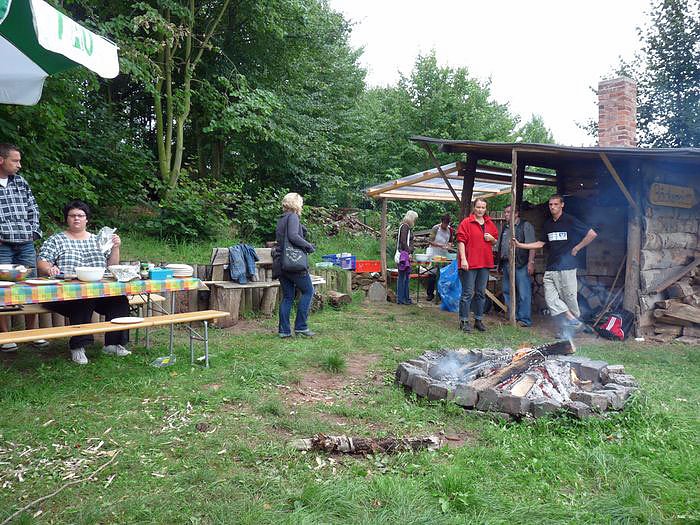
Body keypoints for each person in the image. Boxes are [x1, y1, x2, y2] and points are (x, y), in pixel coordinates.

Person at [37, 201, 129, 364]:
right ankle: (78, 347)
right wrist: (50, 269)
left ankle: (113, 344)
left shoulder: (98, 240)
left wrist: (115, 247)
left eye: (80, 215)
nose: (76, 218)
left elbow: (112, 266)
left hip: (98, 291)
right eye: (72, 215)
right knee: (83, 299)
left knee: (119, 301)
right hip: (64, 293)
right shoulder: (56, 240)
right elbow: (42, 261)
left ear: (87, 219)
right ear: (67, 219)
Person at [512, 194, 597, 336]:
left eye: (556, 204)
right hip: (551, 267)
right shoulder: (548, 224)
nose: (553, 207)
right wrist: (520, 245)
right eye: (551, 204)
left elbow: (592, 234)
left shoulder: (569, 220)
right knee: (551, 299)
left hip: (567, 267)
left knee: (569, 299)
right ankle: (574, 321)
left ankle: (568, 330)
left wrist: (577, 248)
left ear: (562, 205)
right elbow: (540, 243)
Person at [0, 143, 47, 351]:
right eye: (15, 161)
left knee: (31, 286)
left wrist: (34, 232)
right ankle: (6, 336)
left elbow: (33, 208)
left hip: (26, 244)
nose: (19, 165)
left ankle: (32, 333)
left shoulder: (21, 182)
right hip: (2, 245)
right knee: (2, 289)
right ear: (1, 160)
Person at [275, 192, 315, 338]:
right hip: (293, 262)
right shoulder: (292, 217)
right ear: (296, 203)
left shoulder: (282, 219)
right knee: (308, 291)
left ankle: (284, 331)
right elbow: (293, 236)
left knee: (288, 297)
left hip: (281, 263)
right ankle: (301, 327)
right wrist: (308, 246)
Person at [456, 199, 498, 332]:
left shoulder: (489, 223)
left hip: (484, 263)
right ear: (474, 208)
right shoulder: (466, 222)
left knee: (480, 293)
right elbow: (461, 241)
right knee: (467, 293)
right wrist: (463, 259)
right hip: (470, 263)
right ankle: (464, 321)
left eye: (483, 207)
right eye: (478, 207)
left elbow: (495, 241)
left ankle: (478, 320)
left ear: (486, 209)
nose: (480, 210)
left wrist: (492, 239)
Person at [497, 204, 536, 327]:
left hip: (521, 263)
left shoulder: (525, 226)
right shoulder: (506, 227)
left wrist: (530, 262)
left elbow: (532, 246)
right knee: (507, 290)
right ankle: (513, 317)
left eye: (509, 212)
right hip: (506, 263)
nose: (506, 214)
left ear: (516, 213)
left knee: (523, 292)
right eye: (505, 212)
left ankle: (524, 319)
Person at [425, 214, 454, 302]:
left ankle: (440, 294)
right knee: (432, 274)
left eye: (447, 224)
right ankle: (430, 294)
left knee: (443, 274)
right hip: (434, 252)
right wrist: (440, 245)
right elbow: (430, 241)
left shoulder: (450, 230)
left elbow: (451, 241)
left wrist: (449, 245)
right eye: (444, 223)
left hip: (444, 254)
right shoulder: (436, 228)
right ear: (442, 222)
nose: (445, 225)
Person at [395, 210, 417, 305]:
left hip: (404, 254)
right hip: (403, 256)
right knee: (403, 277)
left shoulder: (405, 227)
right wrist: (408, 253)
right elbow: (403, 242)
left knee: (405, 277)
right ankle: (401, 299)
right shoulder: (405, 227)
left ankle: (405, 298)